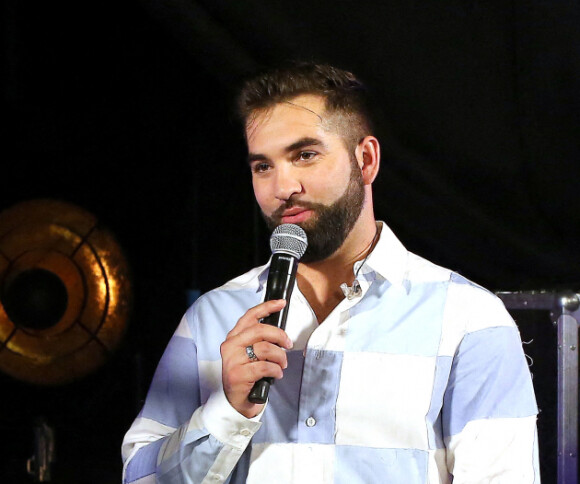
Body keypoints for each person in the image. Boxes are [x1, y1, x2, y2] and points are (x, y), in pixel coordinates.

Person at [122, 63, 540, 483]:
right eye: (262, 166)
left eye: (305, 155)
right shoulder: (212, 317)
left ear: (367, 159)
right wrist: (226, 411)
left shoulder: (468, 318)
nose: (283, 187)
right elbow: (139, 478)